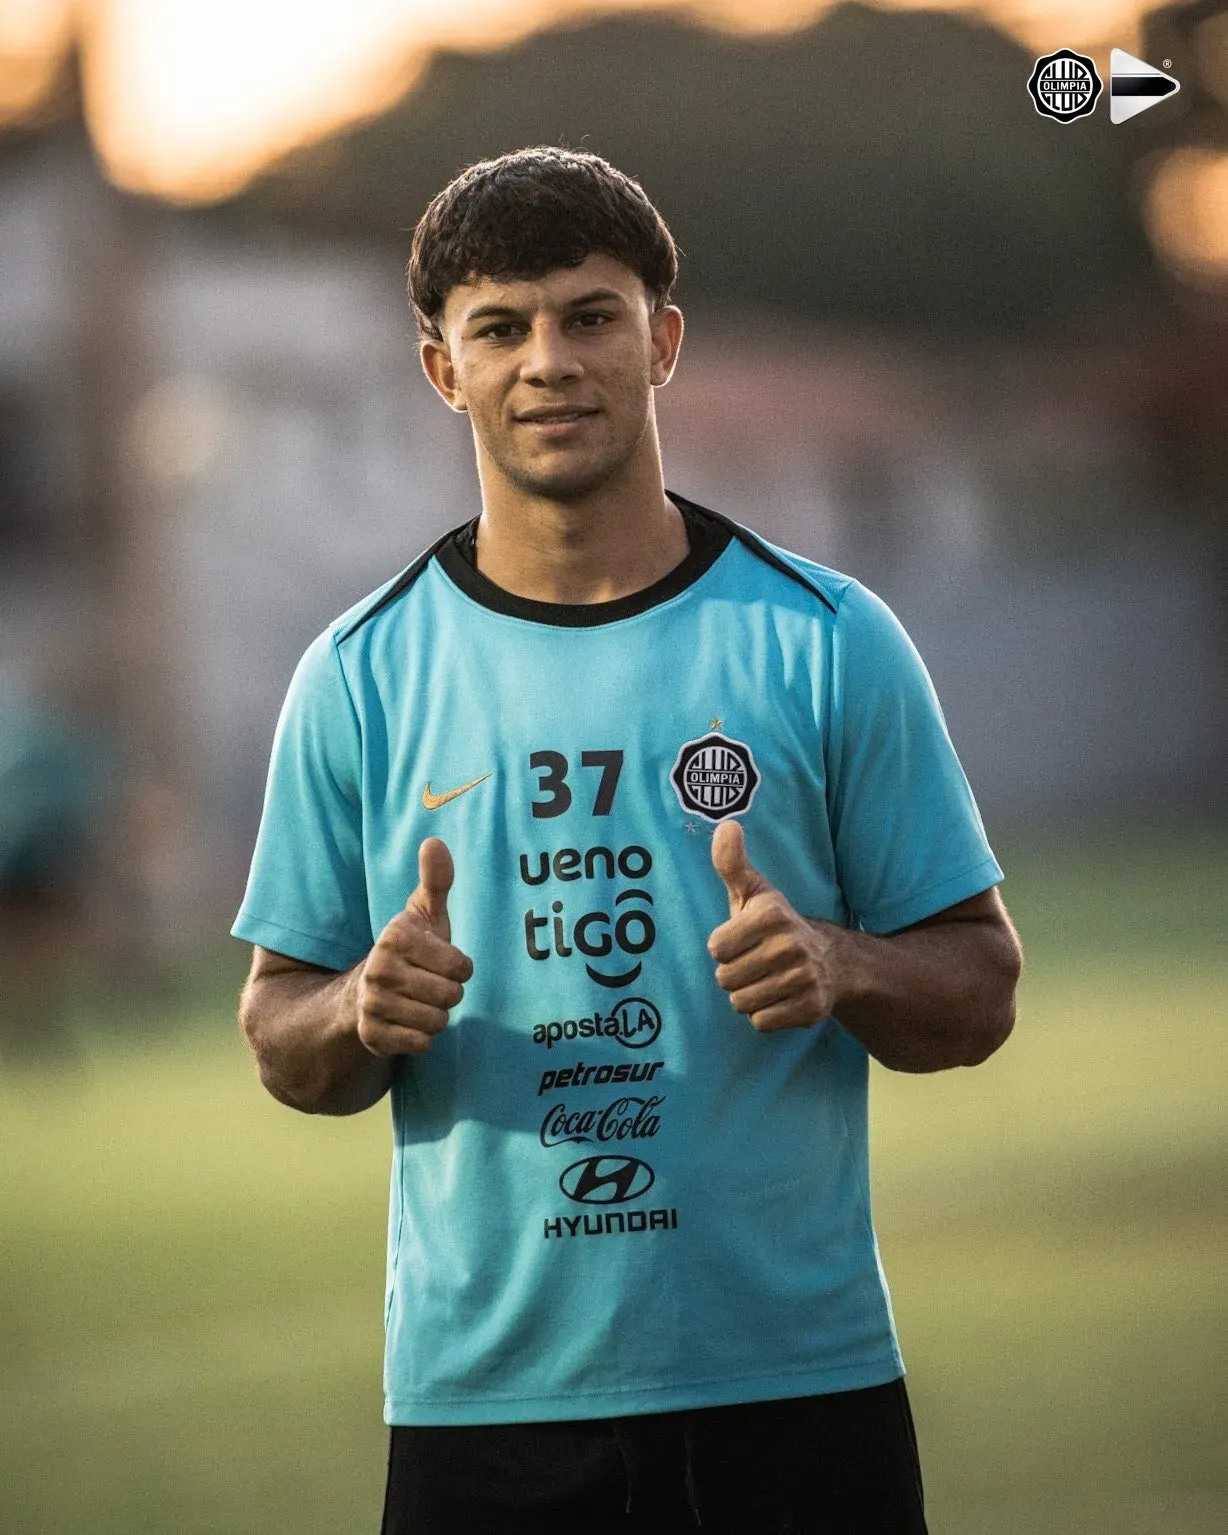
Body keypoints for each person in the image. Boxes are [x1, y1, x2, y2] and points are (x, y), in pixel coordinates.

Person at [233, 146, 1022, 1534]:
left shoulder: (826, 641)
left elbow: (980, 988)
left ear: (660, 339)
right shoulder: (359, 674)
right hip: (486, 1415)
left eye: (589, 315)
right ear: (443, 370)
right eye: (501, 326)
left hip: (795, 1393)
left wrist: (841, 963)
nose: (550, 361)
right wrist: (364, 1004)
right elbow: (282, 1035)